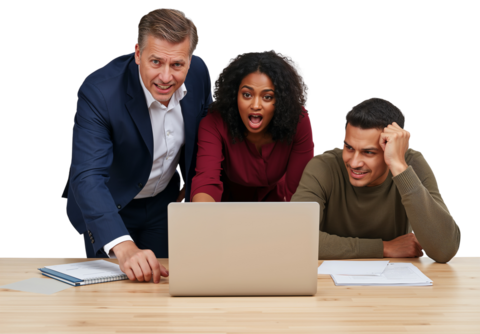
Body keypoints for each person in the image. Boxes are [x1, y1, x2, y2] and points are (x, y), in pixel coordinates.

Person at [62, 8, 212, 283]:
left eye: (177, 64)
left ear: (190, 59)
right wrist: (125, 247)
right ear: (138, 53)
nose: (166, 77)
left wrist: (188, 196)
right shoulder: (100, 92)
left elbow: (206, 139)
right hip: (111, 206)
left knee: (165, 285)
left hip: (164, 205)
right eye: (156, 62)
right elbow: (87, 177)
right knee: (113, 298)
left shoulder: (200, 73)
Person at [291, 97, 462, 263]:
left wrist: (398, 166)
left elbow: (445, 249)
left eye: (369, 152)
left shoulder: (411, 165)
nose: (354, 162)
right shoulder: (324, 167)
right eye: (349, 147)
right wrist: (383, 248)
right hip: (329, 283)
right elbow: (295, 238)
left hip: (397, 283)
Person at [190, 50, 315, 202]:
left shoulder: (299, 122)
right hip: (227, 206)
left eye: (267, 97)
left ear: (281, 101)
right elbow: (206, 182)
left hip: (278, 205)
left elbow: (300, 190)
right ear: (234, 95)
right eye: (247, 95)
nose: (255, 105)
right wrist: (202, 219)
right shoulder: (213, 123)